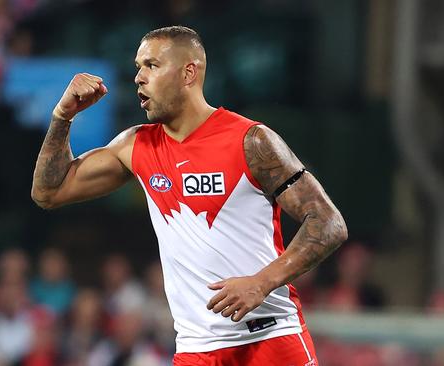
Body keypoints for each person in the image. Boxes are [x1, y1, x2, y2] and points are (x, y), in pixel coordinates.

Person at [31, 26, 347, 365]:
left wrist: (261, 282)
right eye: (138, 66)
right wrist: (62, 117)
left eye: (151, 65)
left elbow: (328, 222)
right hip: (196, 350)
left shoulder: (251, 141)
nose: (139, 77)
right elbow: (49, 192)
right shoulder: (136, 146)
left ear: (188, 73)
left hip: (269, 340)